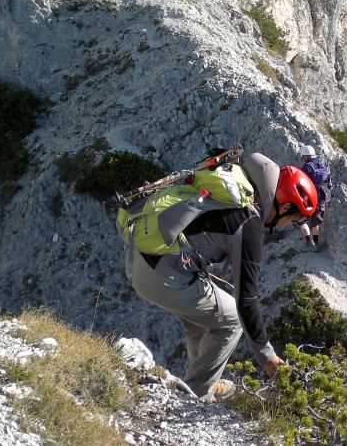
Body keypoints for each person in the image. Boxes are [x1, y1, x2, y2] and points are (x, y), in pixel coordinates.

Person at [127, 151, 318, 400]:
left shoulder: (233, 179)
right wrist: (267, 355)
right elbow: (247, 299)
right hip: (163, 275)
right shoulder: (248, 223)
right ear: (283, 206)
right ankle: (197, 394)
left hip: (140, 260)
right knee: (232, 321)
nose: (287, 225)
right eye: (292, 218)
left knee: (204, 318)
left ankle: (203, 380)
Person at [297, 145, 332, 248]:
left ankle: (309, 242)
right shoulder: (324, 164)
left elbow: (302, 183)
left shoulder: (307, 166)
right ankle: (316, 244)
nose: (303, 159)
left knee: (301, 220)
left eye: (303, 157)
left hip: (310, 197)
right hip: (322, 197)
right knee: (316, 223)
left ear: (306, 156)